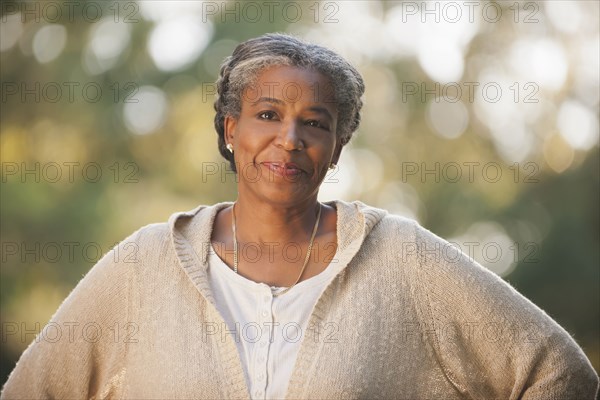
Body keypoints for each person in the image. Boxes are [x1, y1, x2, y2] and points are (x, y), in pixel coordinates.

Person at [1, 33, 598, 400]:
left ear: (337, 147)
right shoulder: (142, 266)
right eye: (267, 114)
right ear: (231, 129)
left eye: (314, 122)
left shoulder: (403, 259)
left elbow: (558, 372)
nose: (289, 139)